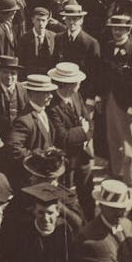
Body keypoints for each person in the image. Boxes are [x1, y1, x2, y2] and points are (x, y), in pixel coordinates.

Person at [99, 13, 132, 186]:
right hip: (110, 99)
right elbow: (103, 75)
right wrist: (100, 96)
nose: (117, 32)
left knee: (129, 143)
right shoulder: (108, 47)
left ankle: (130, 180)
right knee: (113, 139)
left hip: (127, 104)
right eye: (115, 29)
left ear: (128, 30)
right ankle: (116, 174)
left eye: (121, 29)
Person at [47, 61, 94, 216]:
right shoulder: (52, 106)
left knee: (87, 193)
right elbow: (63, 137)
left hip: (84, 155)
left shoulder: (76, 95)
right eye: (77, 83)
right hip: (66, 160)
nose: (80, 85)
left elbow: (87, 118)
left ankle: (89, 219)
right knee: (67, 198)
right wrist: (83, 130)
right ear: (68, 85)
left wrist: (84, 131)